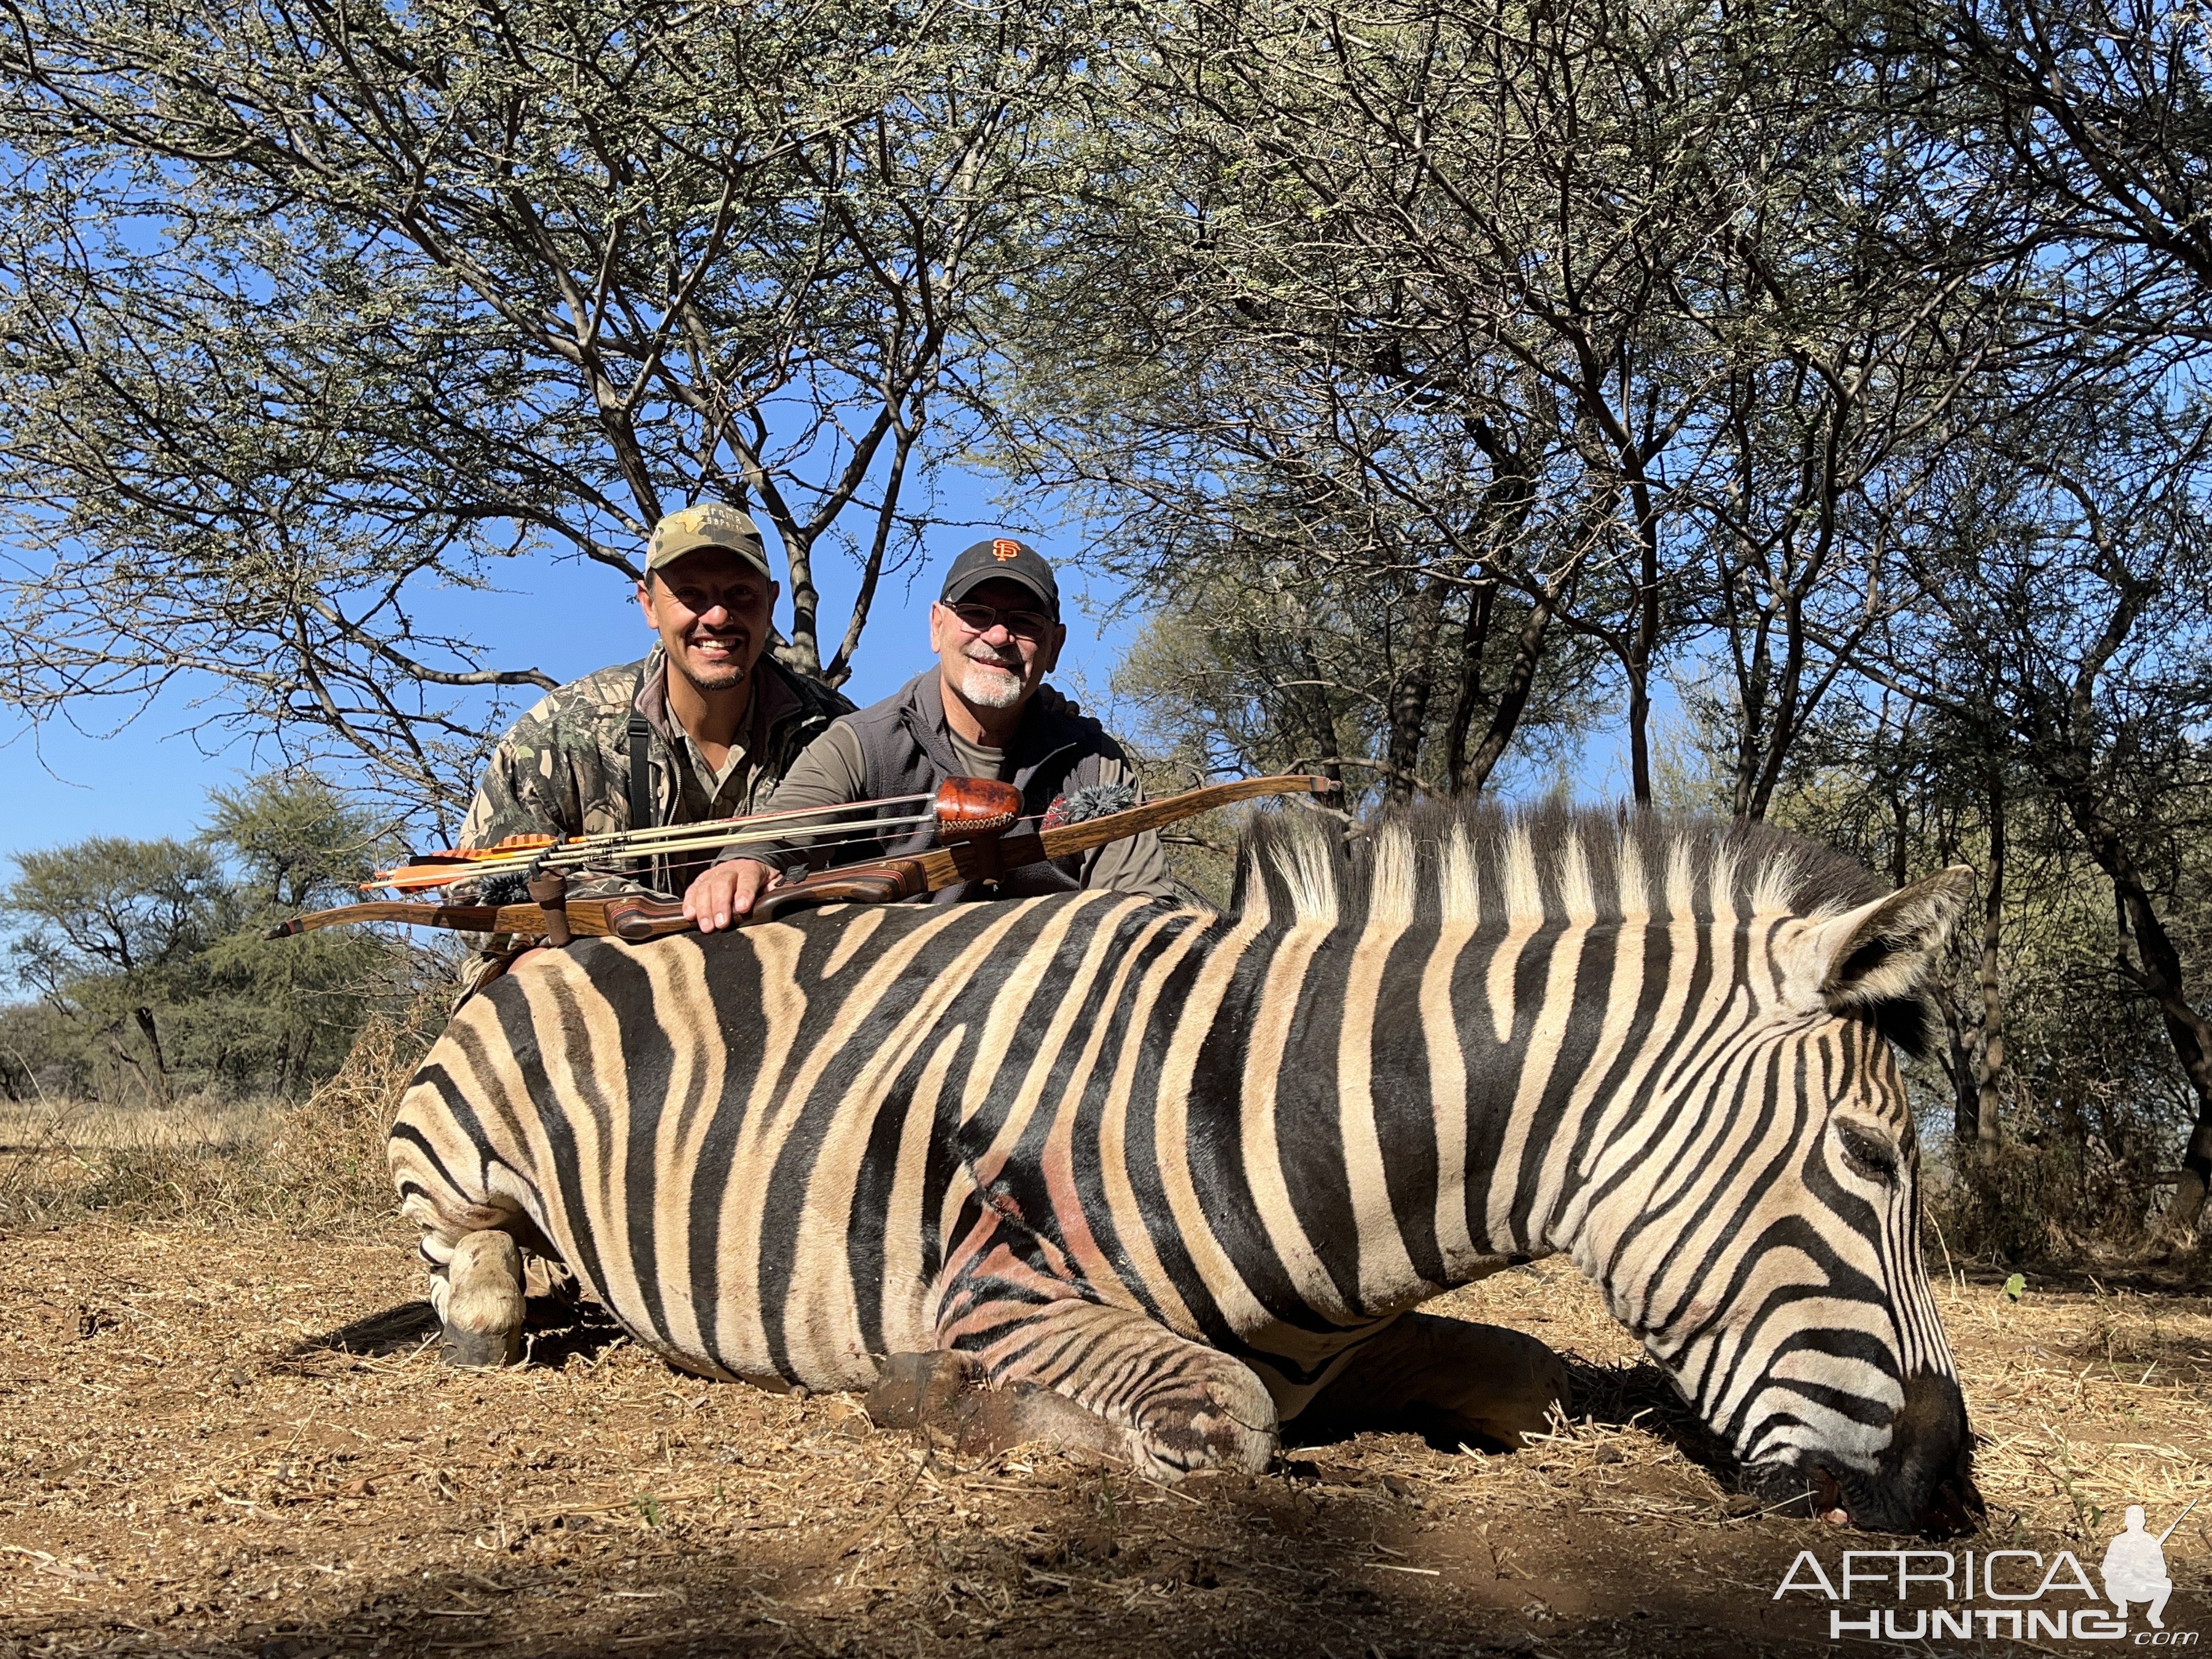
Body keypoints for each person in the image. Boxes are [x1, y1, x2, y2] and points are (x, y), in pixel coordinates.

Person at [683, 537, 1176, 930]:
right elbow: (775, 839)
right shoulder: (863, 743)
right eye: (976, 615)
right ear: (937, 625)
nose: (999, 637)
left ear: (1055, 646)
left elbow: (1143, 912)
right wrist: (741, 867)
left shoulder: (1094, 764)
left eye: (1023, 622)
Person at [453, 503, 851, 975]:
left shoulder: (837, 734)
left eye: (740, 593)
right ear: (648, 604)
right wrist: (650, 912)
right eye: (691, 595)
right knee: (535, 974)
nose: (718, 616)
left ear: (771, 601)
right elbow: (478, 895)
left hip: (778, 977)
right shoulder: (561, 731)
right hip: (600, 976)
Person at [2102, 1505, 2173, 1628]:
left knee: (2166, 1584)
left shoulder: (2150, 1541)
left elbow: (2162, 1570)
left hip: (2144, 1588)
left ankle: (2154, 1615)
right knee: (2110, 1583)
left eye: (2138, 1520)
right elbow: (2106, 1570)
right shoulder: (2118, 1541)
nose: (2135, 1523)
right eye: (2131, 1520)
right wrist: (2124, 1573)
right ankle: (2122, 1606)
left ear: (2143, 1522)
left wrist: (2146, 1571)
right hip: (2123, 1587)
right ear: (2126, 1522)